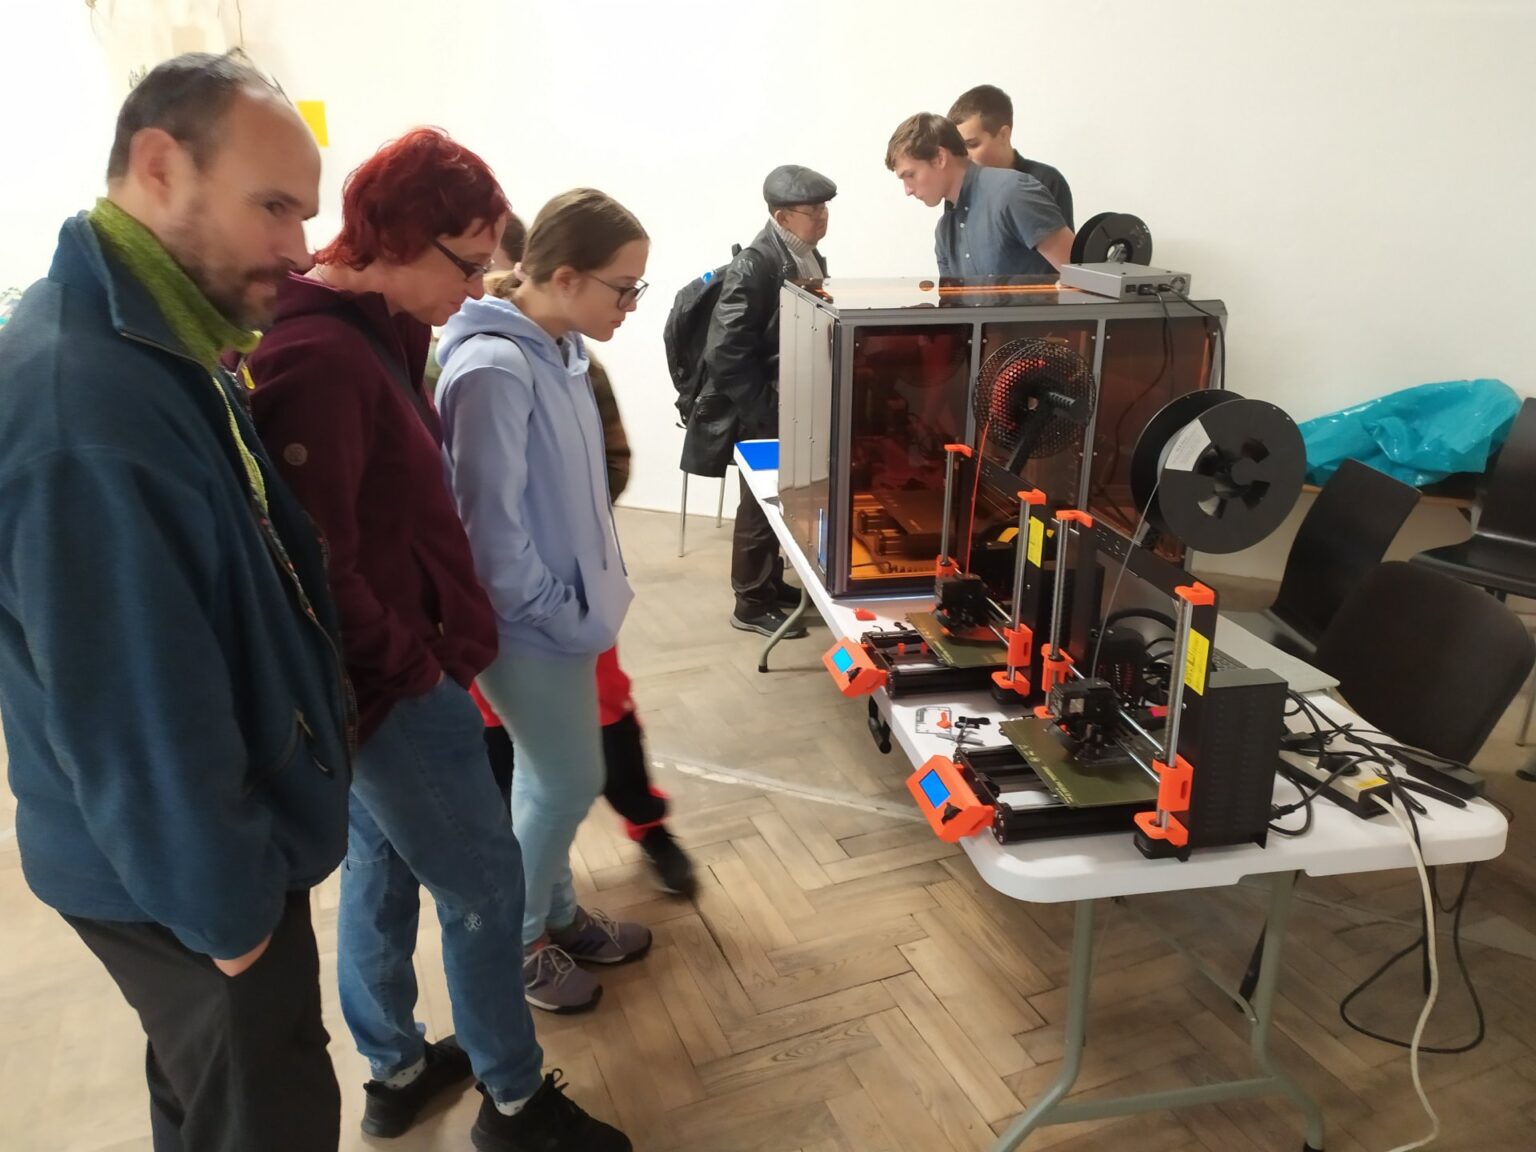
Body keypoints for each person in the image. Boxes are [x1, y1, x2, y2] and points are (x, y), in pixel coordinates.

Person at [246, 131, 629, 1151]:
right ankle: (515, 1102)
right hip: (390, 682)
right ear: (398, 238)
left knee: (384, 870)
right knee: (486, 884)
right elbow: (319, 562)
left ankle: (399, 1069)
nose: (476, 287)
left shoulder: (378, 324)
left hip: (401, 669)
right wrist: (416, 663)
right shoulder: (318, 357)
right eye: (465, 264)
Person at [0, 52, 350, 1152]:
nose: (301, 247)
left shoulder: (152, 340)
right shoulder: (86, 407)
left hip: (193, 857)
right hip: (188, 878)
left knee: (209, 1101)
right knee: (264, 1118)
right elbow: (135, 716)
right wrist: (231, 919)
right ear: (159, 166)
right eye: (275, 206)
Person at [436, 189, 653, 1014]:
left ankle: (557, 915)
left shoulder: (558, 349)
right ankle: (519, 942)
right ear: (565, 277)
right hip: (527, 623)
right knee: (566, 781)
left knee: (544, 776)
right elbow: (488, 535)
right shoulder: (494, 368)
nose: (631, 305)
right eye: (623, 288)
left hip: (562, 614)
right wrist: (560, 612)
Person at [472, 264, 697, 899]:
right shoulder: (468, 361)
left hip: (570, 589)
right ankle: (521, 882)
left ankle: (646, 826)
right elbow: (469, 503)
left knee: (606, 715)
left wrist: (570, 539)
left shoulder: (574, 359)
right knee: (498, 733)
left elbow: (611, 459)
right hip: (492, 603)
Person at [682, 164, 835, 637]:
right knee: (760, 503)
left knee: (782, 499)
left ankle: (768, 584)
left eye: (824, 208)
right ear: (782, 216)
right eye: (813, 210)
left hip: (788, 401)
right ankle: (750, 602)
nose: (823, 217)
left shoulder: (805, 255)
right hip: (764, 406)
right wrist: (763, 409)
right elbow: (725, 350)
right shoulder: (757, 263)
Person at [886, 112, 1074, 278]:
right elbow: (954, 305)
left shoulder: (1012, 194)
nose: (907, 190)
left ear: (939, 158)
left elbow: (1084, 278)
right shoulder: (944, 232)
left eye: (910, 175)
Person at [948, 84, 1074, 229]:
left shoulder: (1047, 181)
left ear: (1003, 135)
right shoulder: (960, 190)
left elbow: (1065, 244)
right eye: (957, 148)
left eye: (972, 144)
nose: (963, 156)